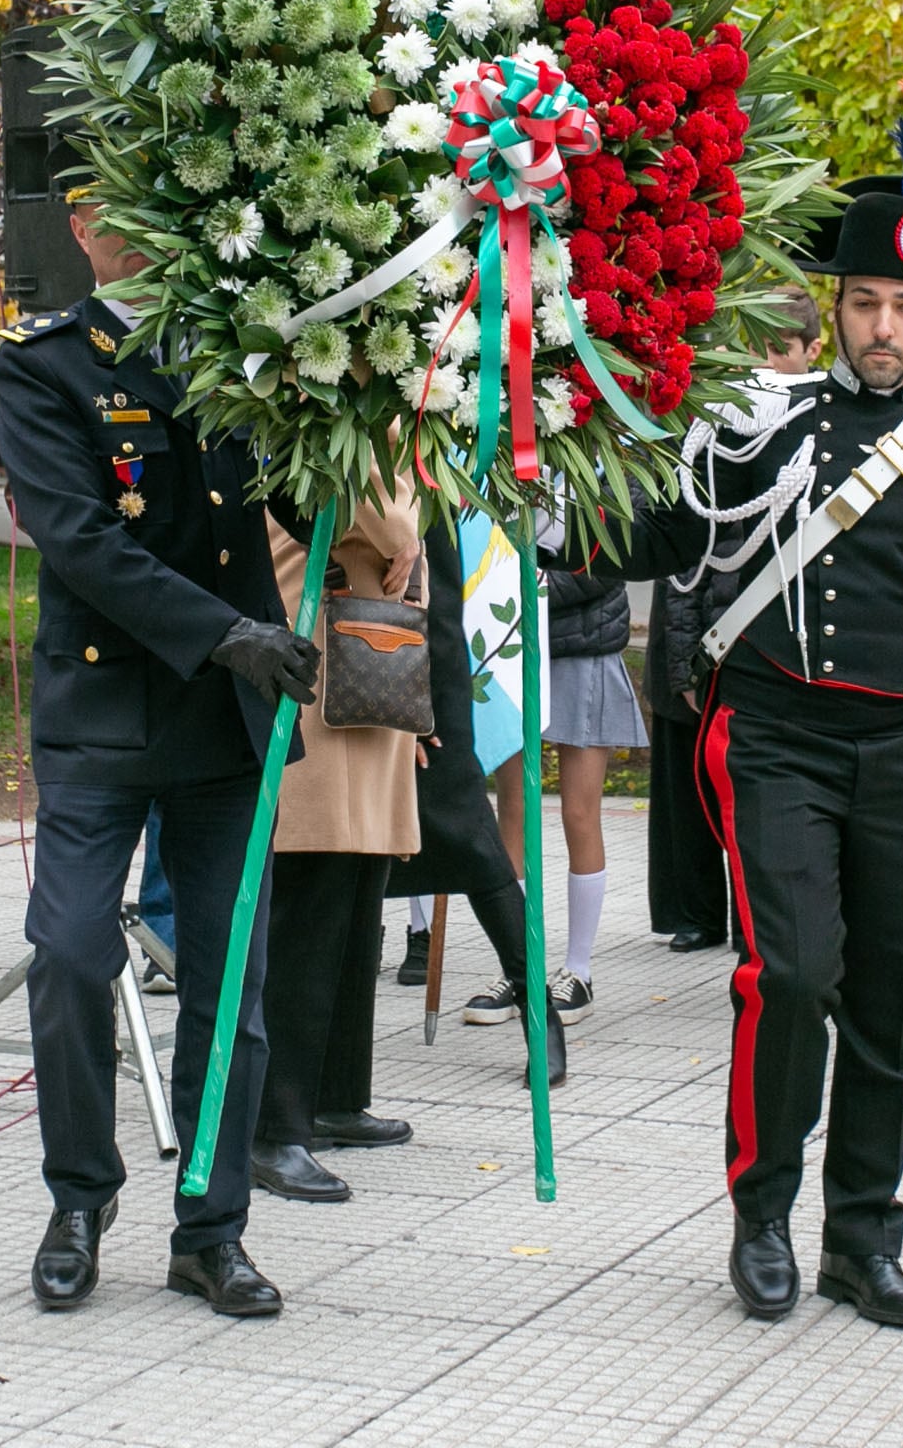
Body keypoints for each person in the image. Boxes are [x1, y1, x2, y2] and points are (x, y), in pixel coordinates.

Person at [612, 5, 903, 1330]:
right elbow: (655, 529)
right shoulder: (759, 423)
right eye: (861, 301)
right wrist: (565, 448)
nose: (878, 326)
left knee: (889, 999)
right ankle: (762, 1213)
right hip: (779, 734)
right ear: (838, 304)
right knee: (787, 974)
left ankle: (863, 1236)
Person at [0, 195, 320, 1318]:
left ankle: (210, 1225)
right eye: (117, 209)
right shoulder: (42, 367)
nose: (145, 227)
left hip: (225, 726)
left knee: (232, 983)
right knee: (74, 951)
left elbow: (299, 488)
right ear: (81, 227)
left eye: (160, 199)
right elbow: (80, 539)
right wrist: (228, 634)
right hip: (106, 712)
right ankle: (80, 1194)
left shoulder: (246, 350)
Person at [251, 478, 425, 1204]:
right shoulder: (312, 368)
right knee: (313, 885)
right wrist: (409, 536)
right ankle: (274, 1124)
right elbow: (376, 507)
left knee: (358, 889)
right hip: (318, 642)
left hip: (370, 640)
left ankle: (335, 1095)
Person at [642, 298, 819, 955]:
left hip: (768, 642)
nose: (763, 365)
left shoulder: (818, 432)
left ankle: (756, 920)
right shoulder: (711, 423)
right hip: (697, 632)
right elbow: (685, 559)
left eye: (779, 350)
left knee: (756, 796)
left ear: (810, 350)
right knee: (686, 784)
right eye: (753, 349)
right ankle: (694, 911)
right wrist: (688, 659)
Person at [385, 517, 568, 1085]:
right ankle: (328, 1071)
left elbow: (437, 604)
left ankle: (539, 1012)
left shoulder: (423, 468)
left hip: (424, 665)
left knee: (474, 842)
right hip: (336, 655)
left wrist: (416, 705)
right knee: (345, 860)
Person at [492, 550, 638, 1022]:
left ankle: (579, 969)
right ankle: (516, 969)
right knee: (511, 808)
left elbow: (616, 550)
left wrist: (529, 587)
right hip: (512, 642)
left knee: (579, 812)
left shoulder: (612, 472)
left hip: (585, 643)